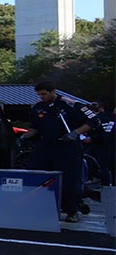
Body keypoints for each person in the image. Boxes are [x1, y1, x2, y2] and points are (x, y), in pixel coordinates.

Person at [21, 81, 91, 223]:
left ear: (53, 92)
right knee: (36, 173)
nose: (41, 97)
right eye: (39, 94)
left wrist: (75, 133)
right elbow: (35, 127)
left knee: (70, 179)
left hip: (68, 146)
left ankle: (72, 210)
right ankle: (42, 207)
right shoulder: (38, 107)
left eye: (44, 94)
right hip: (46, 145)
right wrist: (24, 136)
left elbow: (92, 121)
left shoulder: (71, 104)